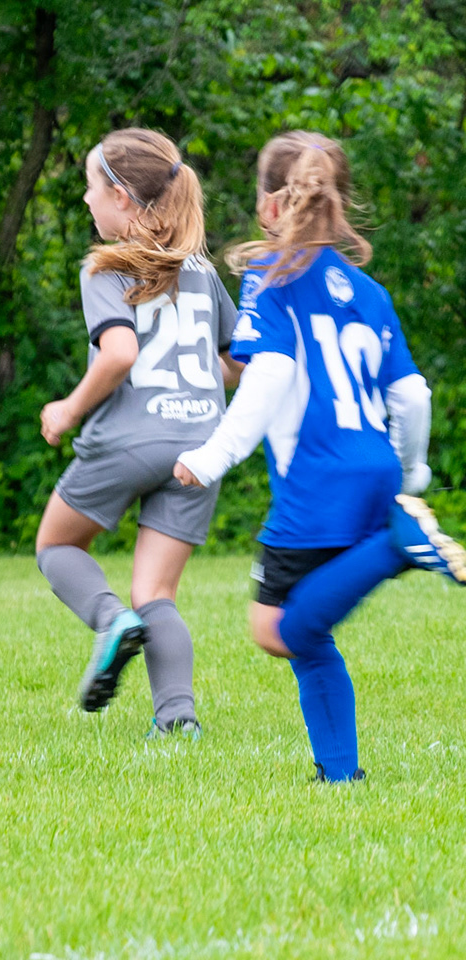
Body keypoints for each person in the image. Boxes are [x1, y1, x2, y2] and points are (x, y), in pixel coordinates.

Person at [175, 131, 463, 782]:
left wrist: (215, 455)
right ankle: (340, 773)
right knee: (301, 633)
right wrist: (410, 472)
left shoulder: (267, 278)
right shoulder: (368, 292)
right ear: (337, 204)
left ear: (270, 206)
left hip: (317, 478)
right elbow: (413, 395)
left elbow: (270, 373)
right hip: (376, 468)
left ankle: (398, 546)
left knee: (278, 629)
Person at [35, 128, 240, 734]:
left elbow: (119, 353)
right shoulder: (199, 269)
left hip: (128, 437)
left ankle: (108, 622)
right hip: (202, 443)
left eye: (91, 189)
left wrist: (69, 409)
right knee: (157, 590)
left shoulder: (107, 265)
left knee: (57, 547)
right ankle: (178, 721)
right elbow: (237, 364)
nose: (85, 201)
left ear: (123, 198)